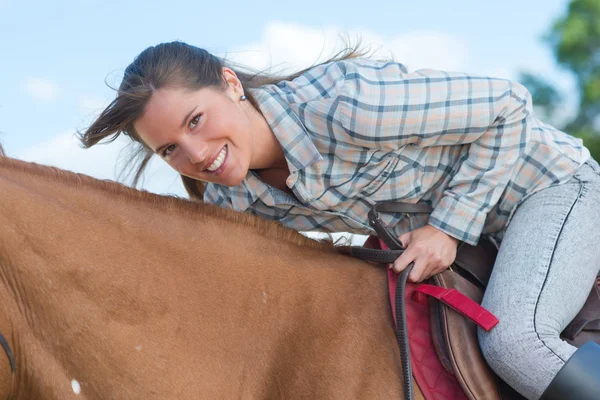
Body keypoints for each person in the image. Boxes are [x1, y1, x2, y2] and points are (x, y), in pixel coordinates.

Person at [80, 41, 600, 399]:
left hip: (547, 187)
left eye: (196, 120)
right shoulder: (235, 202)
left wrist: (448, 226)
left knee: (515, 341)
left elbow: (509, 104)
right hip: (478, 244)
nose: (196, 154)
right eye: (171, 148)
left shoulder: (347, 104)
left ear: (231, 83)